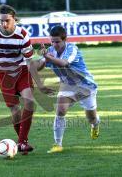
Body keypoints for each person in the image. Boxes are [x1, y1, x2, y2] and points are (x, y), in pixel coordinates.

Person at [0, 4, 52, 155]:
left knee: (29, 101)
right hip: (3, 75)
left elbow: (29, 63)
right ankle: (21, 142)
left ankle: (22, 142)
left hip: (21, 71)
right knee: (15, 111)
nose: (4, 24)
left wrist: (40, 84)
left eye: (7, 20)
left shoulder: (22, 35)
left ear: (14, 19)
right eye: (1, 21)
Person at [30, 25, 100, 153]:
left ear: (65, 39)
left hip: (85, 85)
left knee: (91, 117)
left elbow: (64, 63)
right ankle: (58, 144)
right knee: (60, 110)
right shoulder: (50, 51)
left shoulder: (72, 49)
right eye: (52, 41)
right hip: (68, 84)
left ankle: (95, 124)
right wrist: (40, 85)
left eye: (57, 41)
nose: (54, 44)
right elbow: (34, 66)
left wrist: (48, 57)